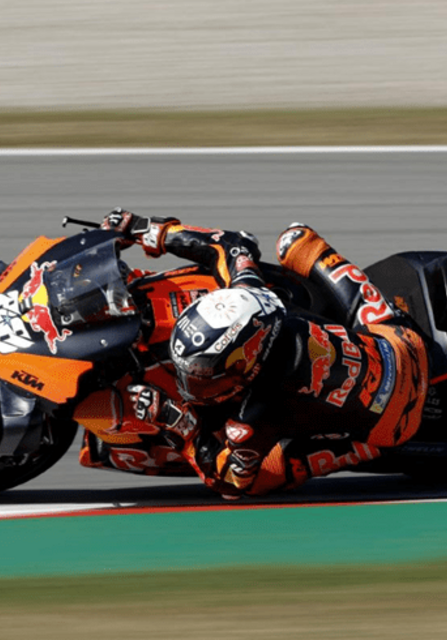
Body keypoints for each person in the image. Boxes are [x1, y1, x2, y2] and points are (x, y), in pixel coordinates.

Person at [100, 208, 429, 498]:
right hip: (395, 337)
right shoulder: (253, 295)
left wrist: (180, 425)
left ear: (247, 362)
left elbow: (230, 482)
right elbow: (233, 245)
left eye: (205, 374)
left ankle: (362, 449)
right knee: (295, 240)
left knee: (257, 482)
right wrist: (152, 230)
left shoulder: (253, 417)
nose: (193, 383)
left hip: (392, 423)